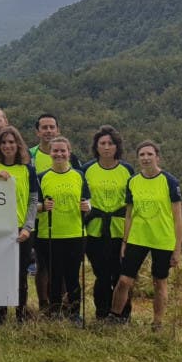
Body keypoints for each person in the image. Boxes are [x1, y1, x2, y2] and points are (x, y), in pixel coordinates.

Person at [106, 141, 182, 331]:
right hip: (137, 238)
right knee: (124, 280)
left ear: (157, 157)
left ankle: (157, 323)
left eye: (149, 154)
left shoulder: (169, 181)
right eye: (142, 155)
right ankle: (114, 317)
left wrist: (177, 249)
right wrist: (125, 240)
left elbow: (177, 219)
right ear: (138, 158)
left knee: (159, 282)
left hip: (162, 239)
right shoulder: (133, 181)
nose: (146, 158)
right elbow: (129, 215)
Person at [0, 126, 39, 324]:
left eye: (11, 142)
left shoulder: (28, 169)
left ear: (18, 145)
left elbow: (33, 200)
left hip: (21, 230)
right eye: (4, 142)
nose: (7, 146)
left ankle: (21, 314)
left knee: (21, 275)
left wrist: (27, 228)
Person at [36, 136, 91, 323]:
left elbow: (87, 201)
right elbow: (34, 206)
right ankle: (55, 311)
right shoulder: (42, 177)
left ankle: (74, 312)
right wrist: (43, 206)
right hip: (49, 234)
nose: (59, 154)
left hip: (75, 233)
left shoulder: (79, 175)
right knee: (54, 275)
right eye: (55, 150)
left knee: (72, 276)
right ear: (50, 152)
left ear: (69, 152)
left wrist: (87, 207)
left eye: (63, 150)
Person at [83, 126, 135, 320]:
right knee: (102, 275)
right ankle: (102, 313)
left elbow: (132, 201)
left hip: (120, 229)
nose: (106, 147)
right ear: (96, 146)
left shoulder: (127, 169)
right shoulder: (87, 169)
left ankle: (122, 314)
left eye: (110, 143)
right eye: (102, 143)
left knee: (120, 275)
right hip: (94, 229)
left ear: (116, 147)